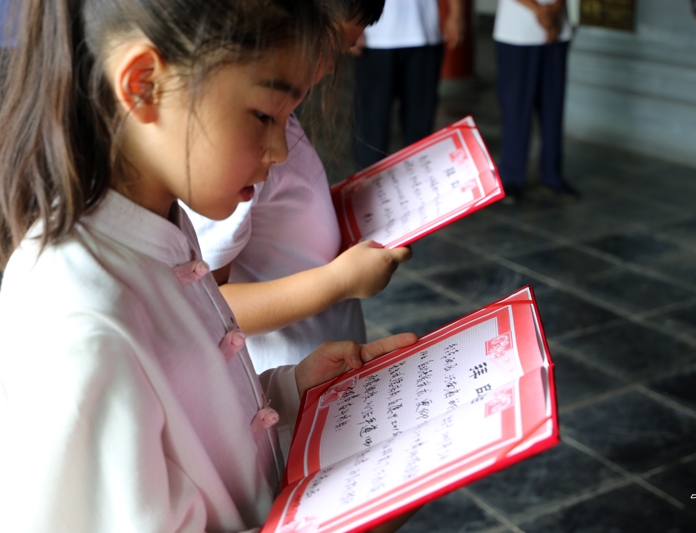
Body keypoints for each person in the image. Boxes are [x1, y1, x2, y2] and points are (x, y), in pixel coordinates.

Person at [0, 1, 415, 532]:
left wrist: (291, 392)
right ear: (146, 84)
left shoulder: (164, 224)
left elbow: (191, 438)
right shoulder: (79, 318)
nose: (280, 150)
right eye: (265, 116)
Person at [185, 0, 412, 374]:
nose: (328, 68)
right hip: (280, 380)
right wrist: (339, 281)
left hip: (315, 367)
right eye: (330, 46)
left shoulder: (277, 119)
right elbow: (210, 306)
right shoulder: (240, 151)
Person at [352, 0, 464, 169]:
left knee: (420, 127)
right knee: (370, 127)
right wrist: (349, 20)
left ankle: (420, 185)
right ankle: (366, 187)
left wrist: (456, 14)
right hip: (375, 38)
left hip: (424, 33)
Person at [494, 0, 578, 202]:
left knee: (553, 107)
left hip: (556, 29)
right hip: (516, 30)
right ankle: (512, 177)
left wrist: (554, 10)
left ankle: (552, 174)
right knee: (516, 108)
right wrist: (540, 11)